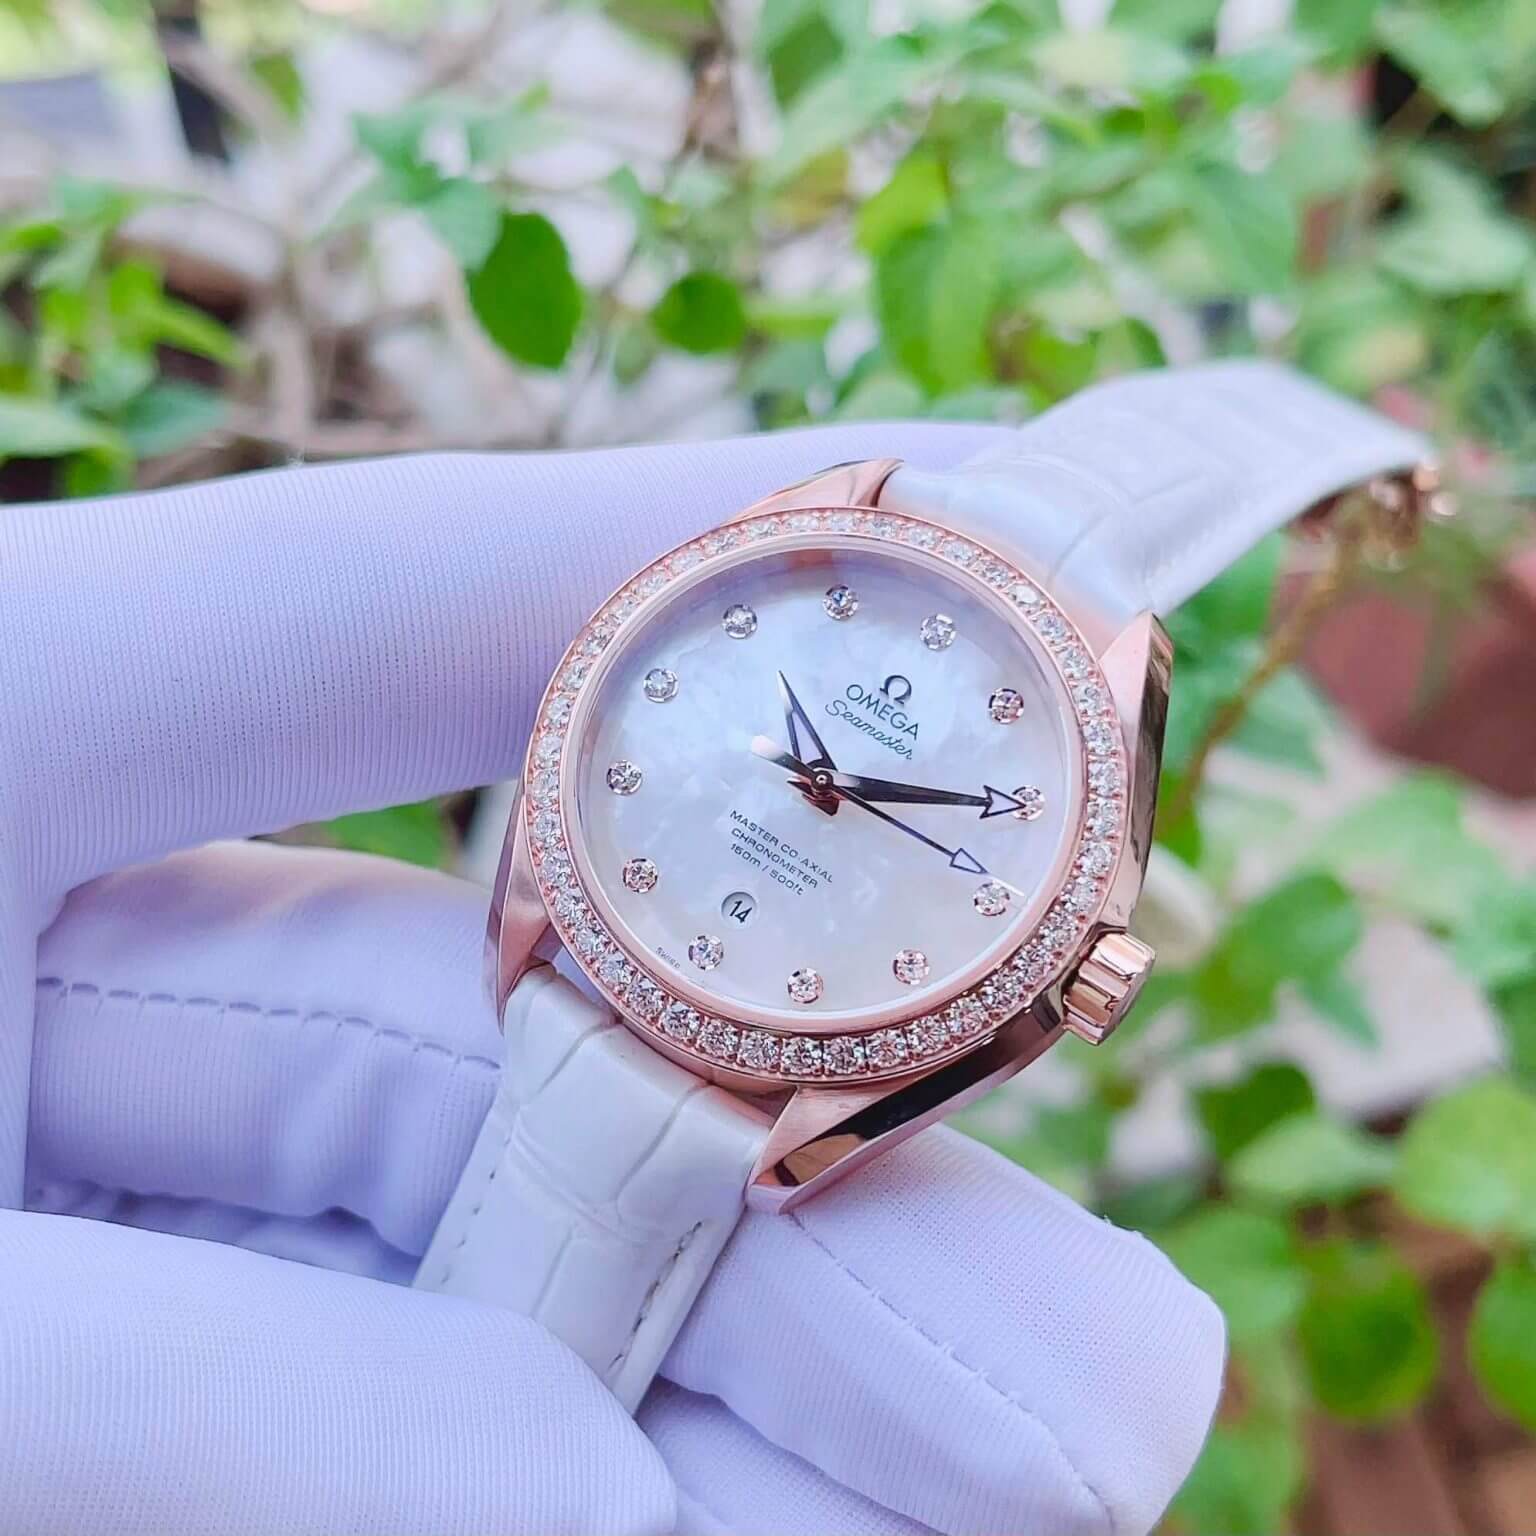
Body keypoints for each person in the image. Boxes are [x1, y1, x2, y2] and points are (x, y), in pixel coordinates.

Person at [0, 423, 1223, 1535]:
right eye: (818, 775)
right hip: (594, 930)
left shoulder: (1102, 683)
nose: (824, 792)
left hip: (745, 1059)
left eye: (839, 794)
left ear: (1086, 973)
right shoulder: (841, 524)